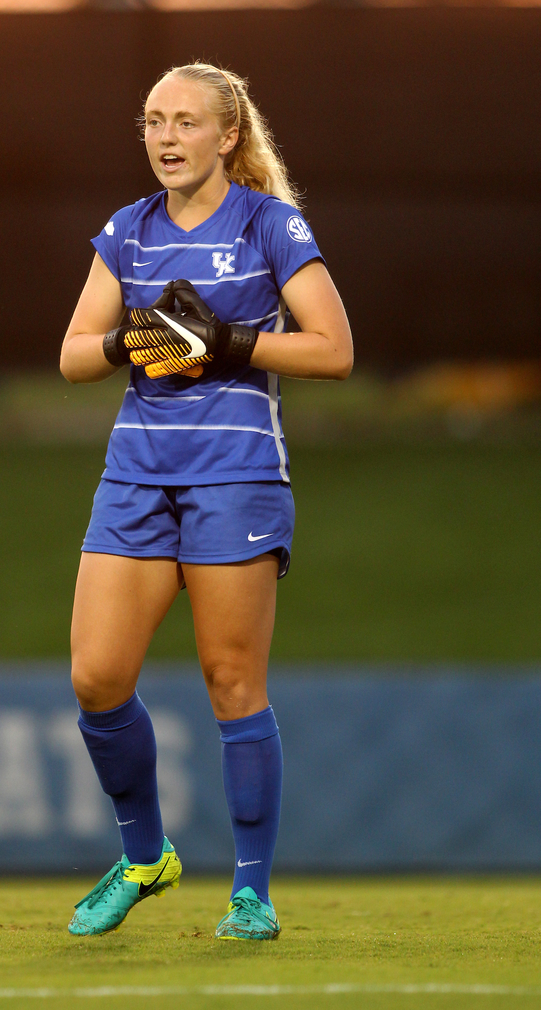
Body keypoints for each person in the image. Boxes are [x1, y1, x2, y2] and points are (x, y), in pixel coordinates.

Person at [59, 62, 353, 940]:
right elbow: (74, 354)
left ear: (227, 136)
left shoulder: (271, 224)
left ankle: (250, 893)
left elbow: (333, 349)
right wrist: (129, 338)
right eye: (152, 120)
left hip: (236, 474)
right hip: (135, 474)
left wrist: (227, 341)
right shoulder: (128, 230)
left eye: (184, 122)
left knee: (231, 684)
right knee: (96, 678)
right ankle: (146, 857)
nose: (164, 138)